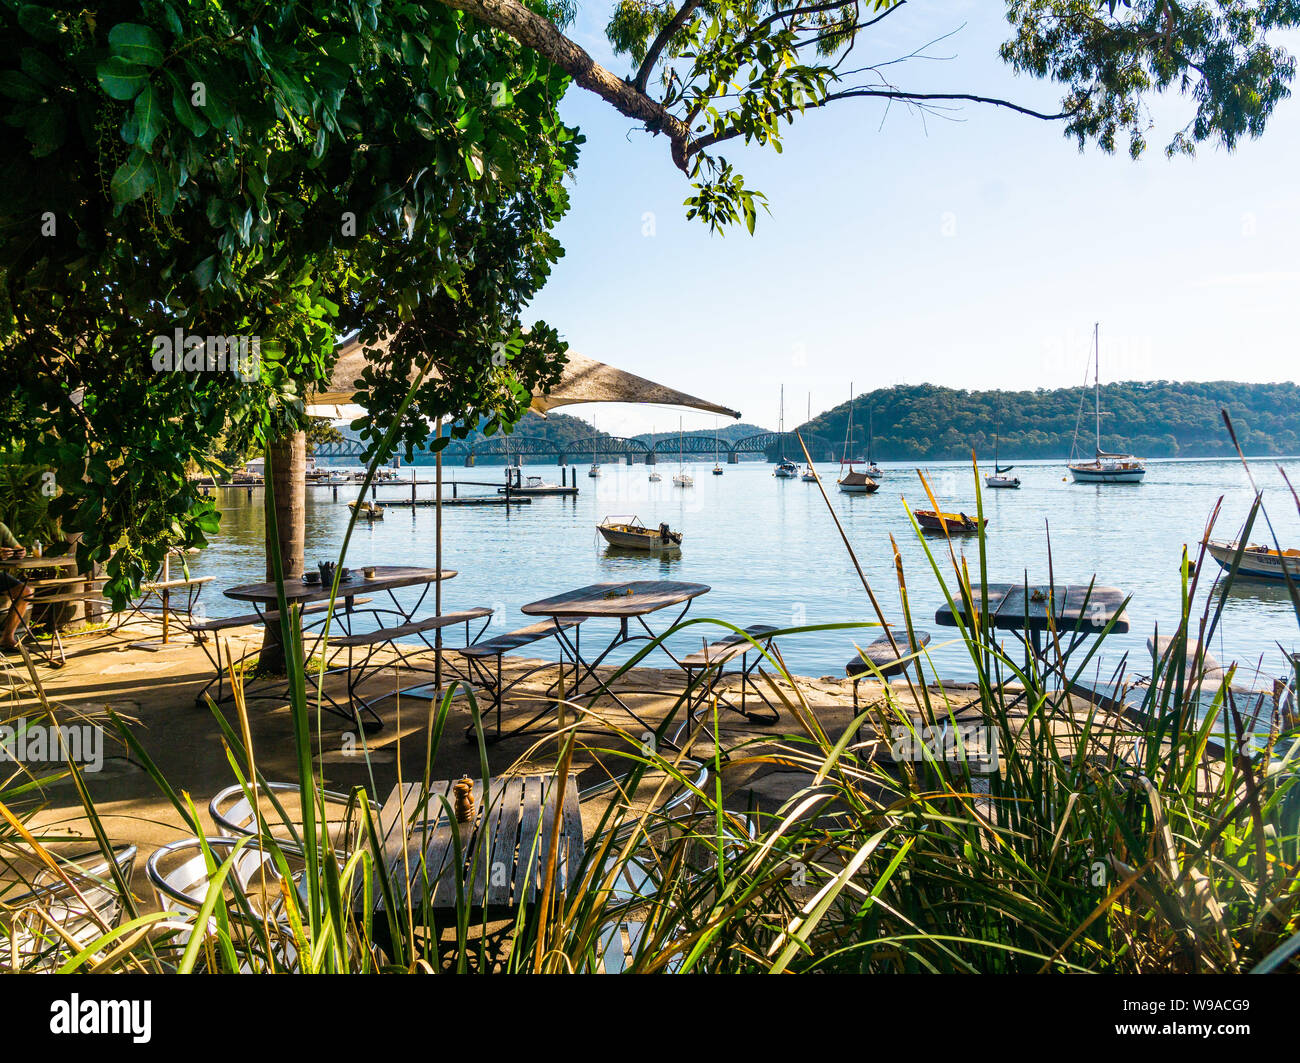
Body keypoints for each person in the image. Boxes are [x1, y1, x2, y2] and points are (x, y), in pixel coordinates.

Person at [0, 521, 34, 650]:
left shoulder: (1, 527)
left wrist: (19, 552)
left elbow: (17, 546)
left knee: (25, 592)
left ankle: (7, 638)